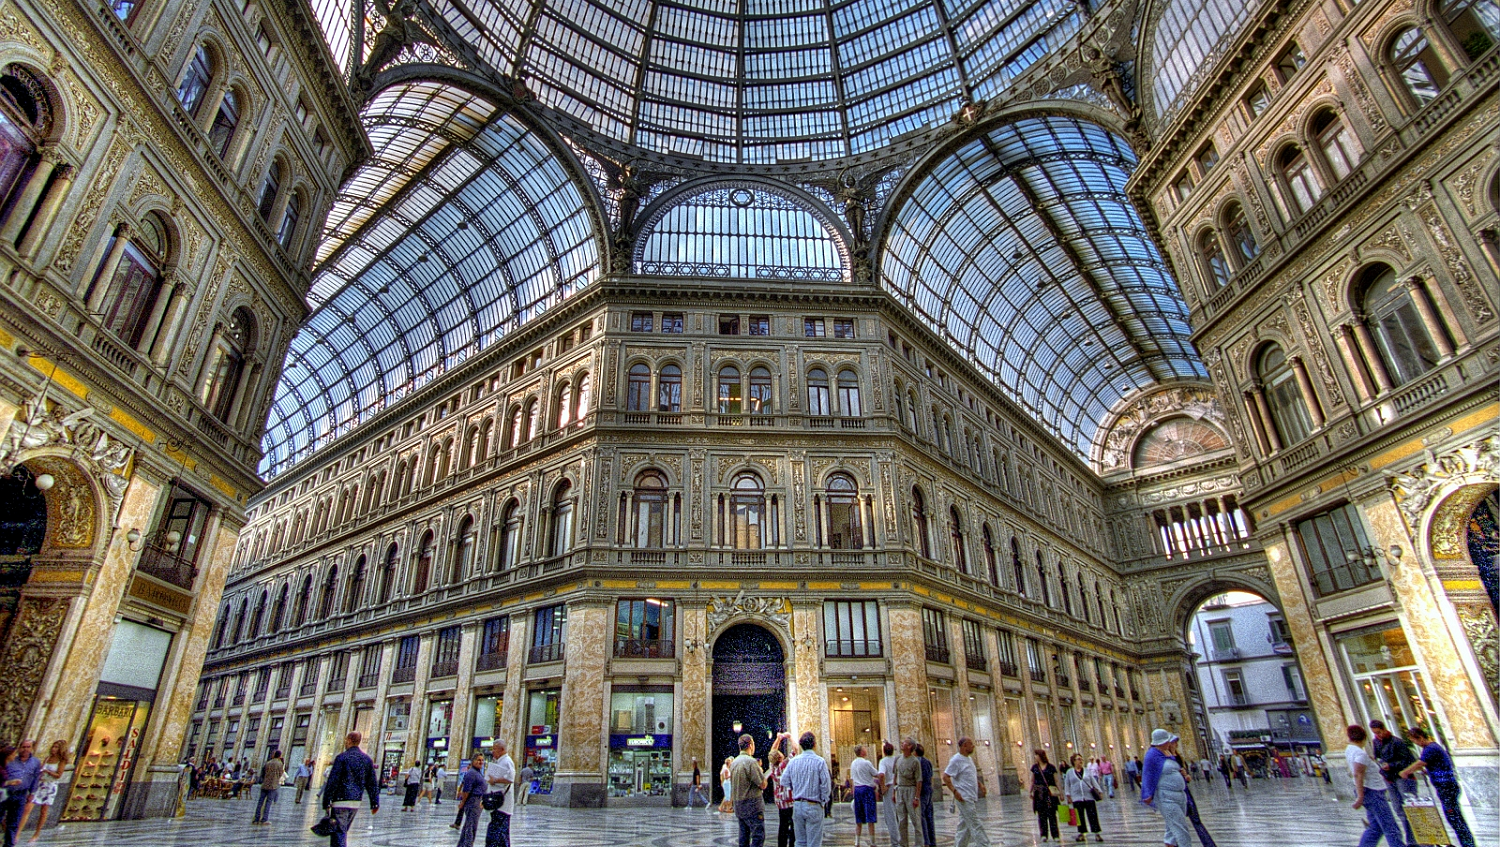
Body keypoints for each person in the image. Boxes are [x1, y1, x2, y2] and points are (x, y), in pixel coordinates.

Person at [1399, 727, 1476, 847]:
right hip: (1445, 786)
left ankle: (1468, 844)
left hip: (1446, 786)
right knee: (1454, 817)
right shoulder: (1432, 747)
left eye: (1415, 741)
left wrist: (1405, 772)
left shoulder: (1430, 748)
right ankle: (1466, 843)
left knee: (1454, 817)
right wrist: (1427, 772)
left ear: (1420, 737)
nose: (1416, 744)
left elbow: (1420, 763)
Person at [1343, 725, 1406, 847]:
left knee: (1376, 827)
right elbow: (1358, 774)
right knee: (1390, 827)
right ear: (1364, 738)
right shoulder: (1360, 753)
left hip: (1370, 791)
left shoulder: (1350, 750)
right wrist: (1360, 797)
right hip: (1373, 792)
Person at [318, 732, 380, 847]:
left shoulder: (341, 758)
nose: (345, 742)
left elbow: (333, 781)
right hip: (355, 802)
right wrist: (374, 803)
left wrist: (326, 801)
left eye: (346, 740)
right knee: (342, 830)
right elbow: (372, 783)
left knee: (339, 833)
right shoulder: (366, 760)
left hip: (340, 801)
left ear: (349, 740)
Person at [1368, 721, 1418, 847]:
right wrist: (1380, 764)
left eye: (1379, 732)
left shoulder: (1397, 742)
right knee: (1399, 809)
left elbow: (1408, 761)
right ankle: (1411, 840)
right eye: (1375, 733)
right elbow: (1378, 757)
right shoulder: (1376, 742)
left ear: (1384, 729)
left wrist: (1391, 765)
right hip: (1389, 778)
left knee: (1410, 807)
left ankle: (1414, 840)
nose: (1378, 735)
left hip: (1402, 777)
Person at [1140, 729, 1191, 847]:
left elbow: (1173, 768)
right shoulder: (1152, 755)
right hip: (1166, 796)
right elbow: (1147, 774)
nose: (1170, 743)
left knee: (1172, 829)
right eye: (1168, 741)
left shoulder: (1166, 753)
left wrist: (1182, 772)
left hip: (1179, 795)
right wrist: (1147, 794)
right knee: (1180, 828)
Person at [781, 731, 830, 847]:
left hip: (798, 805)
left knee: (800, 842)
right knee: (814, 843)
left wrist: (795, 787)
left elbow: (783, 781)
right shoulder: (820, 761)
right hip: (814, 804)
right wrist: (823, 801)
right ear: (814, 744)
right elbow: (826, 785)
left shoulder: (793, 762)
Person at [941, 737, 990, 847]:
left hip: (971, 796)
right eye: (970, 744)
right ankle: (985, 845)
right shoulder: (956, 760)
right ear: (964, 746)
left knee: (964, 827)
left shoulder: (969, 759)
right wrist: (955, 791)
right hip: (964, 797)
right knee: (975, 823)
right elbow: (945, 777)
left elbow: (969, 775)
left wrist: (980, 784)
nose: (973, 746)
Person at [20, 740, 66, 842]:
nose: (54, 749)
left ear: (60, 749)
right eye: (53, 746)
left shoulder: (61, 761)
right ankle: (18, 832)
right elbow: (40, 770)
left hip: (50, 785)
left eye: (56, 747)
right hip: (41, 784)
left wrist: (48, 771)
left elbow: (59, 775)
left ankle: (37, 833)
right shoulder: (47, 758)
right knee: (28, 807)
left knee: (44, 810)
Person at [730, 734, 768, 847]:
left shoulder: (734, 762)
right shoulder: (751, 762)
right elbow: (762, 784)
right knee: (758, 836)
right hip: (752, 806)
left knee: (743, 837)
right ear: (750, 745)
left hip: (739, 805)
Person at [1, 742, 39, 847]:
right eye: (23, 747)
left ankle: (9, 844)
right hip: (6, 793)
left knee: (14, 821)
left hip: (21, 795)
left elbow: (35, 778)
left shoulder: (35, 762)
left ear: (32, 748)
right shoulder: (11, 760)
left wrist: (32, 792)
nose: (25, 749)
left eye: (28, 747)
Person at [1064, 754, 1103, 842]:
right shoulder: (1069, 772)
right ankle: (1082, 833)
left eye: (1081, 759)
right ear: (1074, 761)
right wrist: (1068, 795)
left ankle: (1097, 833)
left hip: (1088, 796)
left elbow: (1093, 781)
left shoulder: (1086, 771)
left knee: (1092, 815)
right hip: (1076, 797)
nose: (1080, 761)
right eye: (1078, 759)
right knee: (1079, 816)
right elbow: (1067, 784)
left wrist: (1099, 791)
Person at [484, 740, 515, 847]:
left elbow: (511, 778)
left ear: (502, 750)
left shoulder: (507, 761)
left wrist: (495, 780)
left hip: (503, 804)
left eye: (494, 749)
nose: (492, 751)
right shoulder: (498, 761)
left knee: (500, 833)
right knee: (495, 832)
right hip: (497, 803)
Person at [891, 738, 920, 847]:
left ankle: (919, 843)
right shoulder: (898, 759)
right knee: (901, 819)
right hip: (900, 790)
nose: (901, 744)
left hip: (911, 790)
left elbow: (919, 780)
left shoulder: (915, 761)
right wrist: (894, 792)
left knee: (915, 819)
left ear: (909, 747)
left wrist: (916, 797)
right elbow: (895, 776)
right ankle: (903, 843)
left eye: (904, 743)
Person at [848, 744, 878, 847]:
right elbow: (876, 774)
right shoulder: (867, 763)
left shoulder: (853, 763)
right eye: (864, 748)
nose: (866, 749)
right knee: (870, 817)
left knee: (859, 817)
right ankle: (872, 842)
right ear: (862, 752)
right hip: (867, 790)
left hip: (857, 790)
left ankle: (857, 842)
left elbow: (852, 779)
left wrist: (853, 791)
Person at [453, 754, 486, 847]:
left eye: (482, 760)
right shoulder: (471, 773)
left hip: (477, 801)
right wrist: (463, 802)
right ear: (473, 761)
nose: (481, 762)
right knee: (471, 827)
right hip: (473, 801)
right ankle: (468, 844)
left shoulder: (478, 772)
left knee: (469, 825)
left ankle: (462, 844)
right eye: (478, 760)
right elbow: (466, 790)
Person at [1030, 749, 1060, 843]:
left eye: (1036, 755)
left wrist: (1060, 792)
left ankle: (1055, 834)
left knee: (1051, 814)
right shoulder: (1034, 767)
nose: (1035, 757)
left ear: (1040, 756)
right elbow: (1032, 780)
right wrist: (1030, 791)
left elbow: (1056, 780)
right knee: (1041, 814)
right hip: (1039, 794)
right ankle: (1043, 834)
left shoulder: (1051, 767)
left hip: (1049, 793)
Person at [767, 740, 793, 847]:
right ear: (780, 757)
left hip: (780, 801)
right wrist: (789, 737)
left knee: (783, 825)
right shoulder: (784, 765)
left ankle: (781, 845)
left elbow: (772, 751)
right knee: (793, 826)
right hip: (790, 800)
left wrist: (778, 739)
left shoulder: (772, 767)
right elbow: (795, 750)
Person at [252, 749, 286, 825]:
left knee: (260, 802)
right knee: (268, 802)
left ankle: (256, 819)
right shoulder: (280, 764)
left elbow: (263, 773)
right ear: (280, 756)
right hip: (273, 785)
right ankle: (264, 819)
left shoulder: (268, 763)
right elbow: (281, 773)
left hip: (265, 784)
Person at [876, 742, 900, 847]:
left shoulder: (883, 761)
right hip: (899, 787)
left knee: (890, 816)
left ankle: (895, 841)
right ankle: (902, 838)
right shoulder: (898, 760)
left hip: (890, 788)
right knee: (900, 814)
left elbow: (881, 775)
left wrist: (882, 787)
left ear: (884, 751)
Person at [914, 744, 935, 847]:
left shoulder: (917, 762)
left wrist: (916, 795)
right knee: (929, 816)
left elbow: (919, 779)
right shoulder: (928, 761)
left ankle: (925, 841)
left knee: (921, 816)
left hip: (922, 792)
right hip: (929, 790)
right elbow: (931, 776)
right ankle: (932, 841)